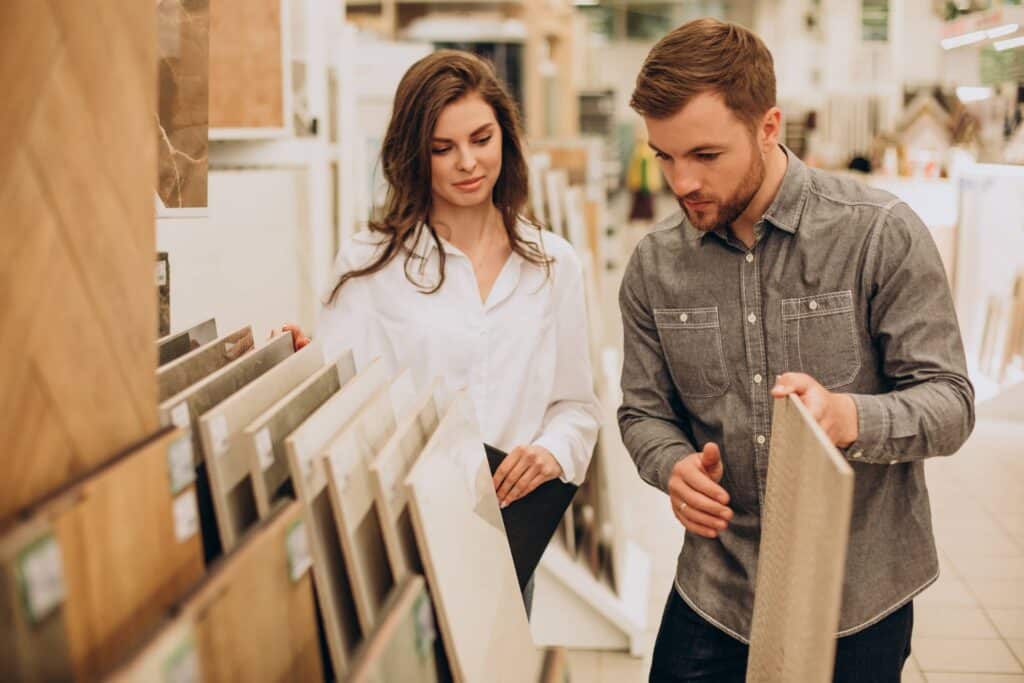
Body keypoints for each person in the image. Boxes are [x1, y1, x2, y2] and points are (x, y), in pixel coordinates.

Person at [617, 19, 974, 682]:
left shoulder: (878, 235)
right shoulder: (654, 266)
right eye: (664, 156)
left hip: (856, 597)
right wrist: (671, 465)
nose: (681, 181)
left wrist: (848, 417)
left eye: (705, 154)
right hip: (716, 593)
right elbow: (640, 411)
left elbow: (951, 403)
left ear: (769, 126)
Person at [277, 51, 601, 611]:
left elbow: (577, 406)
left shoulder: (554, 265)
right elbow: (339, 411)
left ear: (506, 135)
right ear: (413, 154)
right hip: (399, 539)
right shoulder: (369, 265)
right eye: (442, 148)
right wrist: (303, 373)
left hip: (505, 541)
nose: (468, 163)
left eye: (481, 139)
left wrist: (553, 451)